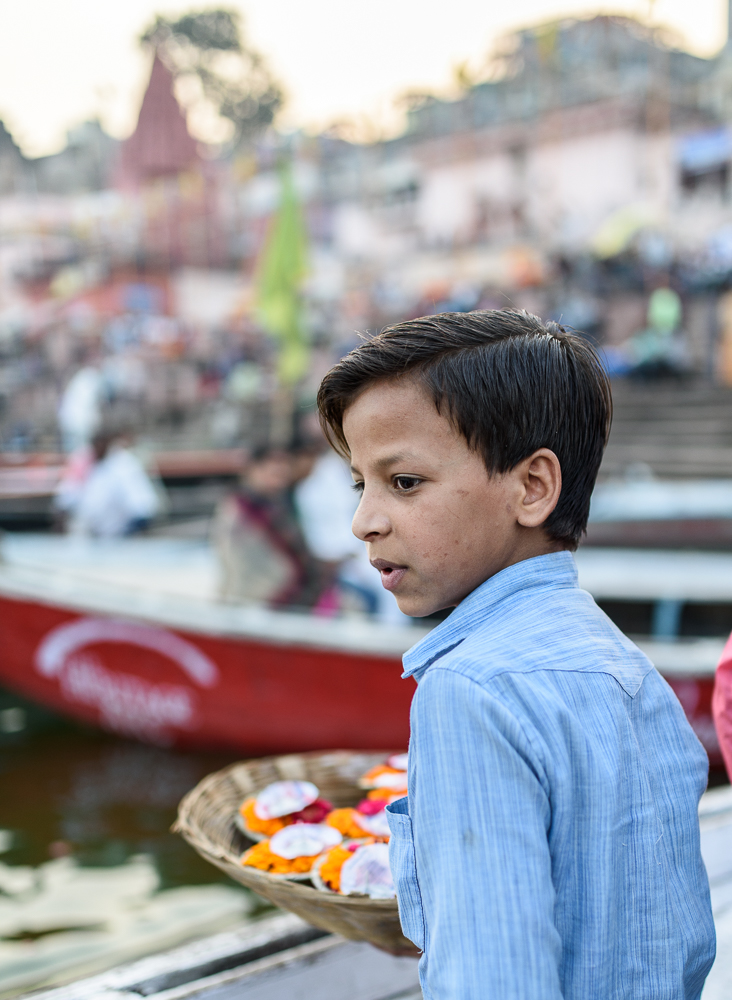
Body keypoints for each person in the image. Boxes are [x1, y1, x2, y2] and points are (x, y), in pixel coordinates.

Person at [317, 310, 715, 999]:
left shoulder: (470, 690)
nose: (364, 521)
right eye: (361, 484)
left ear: (532, 487)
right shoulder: (630, 670)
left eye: (403, 482)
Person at [213, 445, 326, 609]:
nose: (279, 481)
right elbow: (241, 564)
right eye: (274, 473)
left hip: (289, 600)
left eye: (283, 475)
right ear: (253, 470)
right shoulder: (240, 509)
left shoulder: (279, 505)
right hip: (258, 603)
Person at [70, 430, 160, 537]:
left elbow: (138, 502)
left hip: (128, 527)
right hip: (107, 531)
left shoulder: (121, 463)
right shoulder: (101, 465)